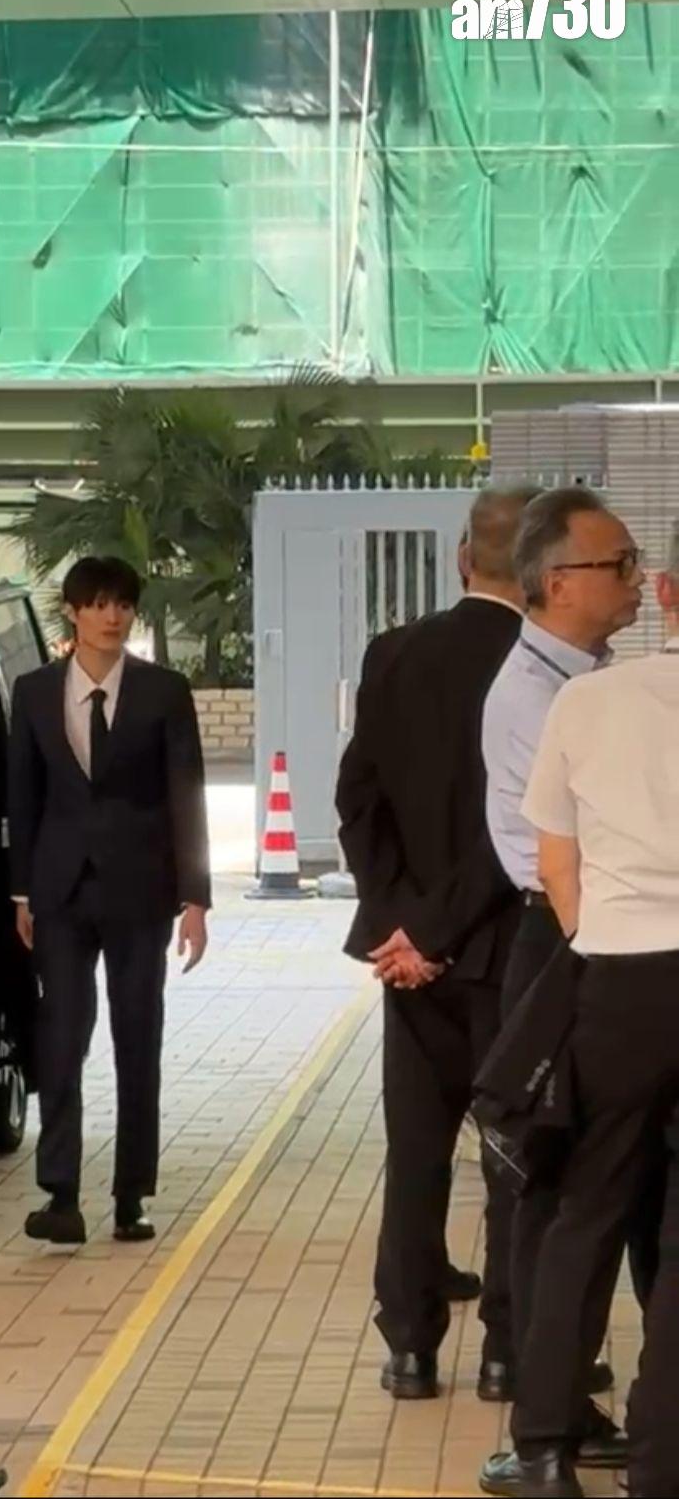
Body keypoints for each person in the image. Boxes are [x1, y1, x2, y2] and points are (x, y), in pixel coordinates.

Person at [480, 527, 679, 1499]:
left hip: (619, 980)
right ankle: (663, 1456)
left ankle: (546, 1448)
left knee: (583, 1211)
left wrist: (602, 938)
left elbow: (555, 864)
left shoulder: (591, 699)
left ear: (668, 590)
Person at [336, 486, 540, 1401]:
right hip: (513, 953)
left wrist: (398, 926)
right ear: (536, 570)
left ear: (463, 557)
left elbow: (358, 799)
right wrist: (440, 927)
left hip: (408, 966)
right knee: (513, 1158)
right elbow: (517, 828)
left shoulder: (393, 654)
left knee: (415, 1153)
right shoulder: (545, 668)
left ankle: (411, 1346)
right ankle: (506, 1350)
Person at [8, 556, 211, 1245]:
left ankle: (131, 1196)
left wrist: (195, 898)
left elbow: (187, 794)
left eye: (122, 604)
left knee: (137, 1038)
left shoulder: (163, 691)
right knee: (61, 1036)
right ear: (73, 612)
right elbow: (23, 795)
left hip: (141, 891)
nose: (112, 616)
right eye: (98, 604)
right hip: (60, 891)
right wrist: (22, 890)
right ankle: (60, 1194)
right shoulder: (34, 692)